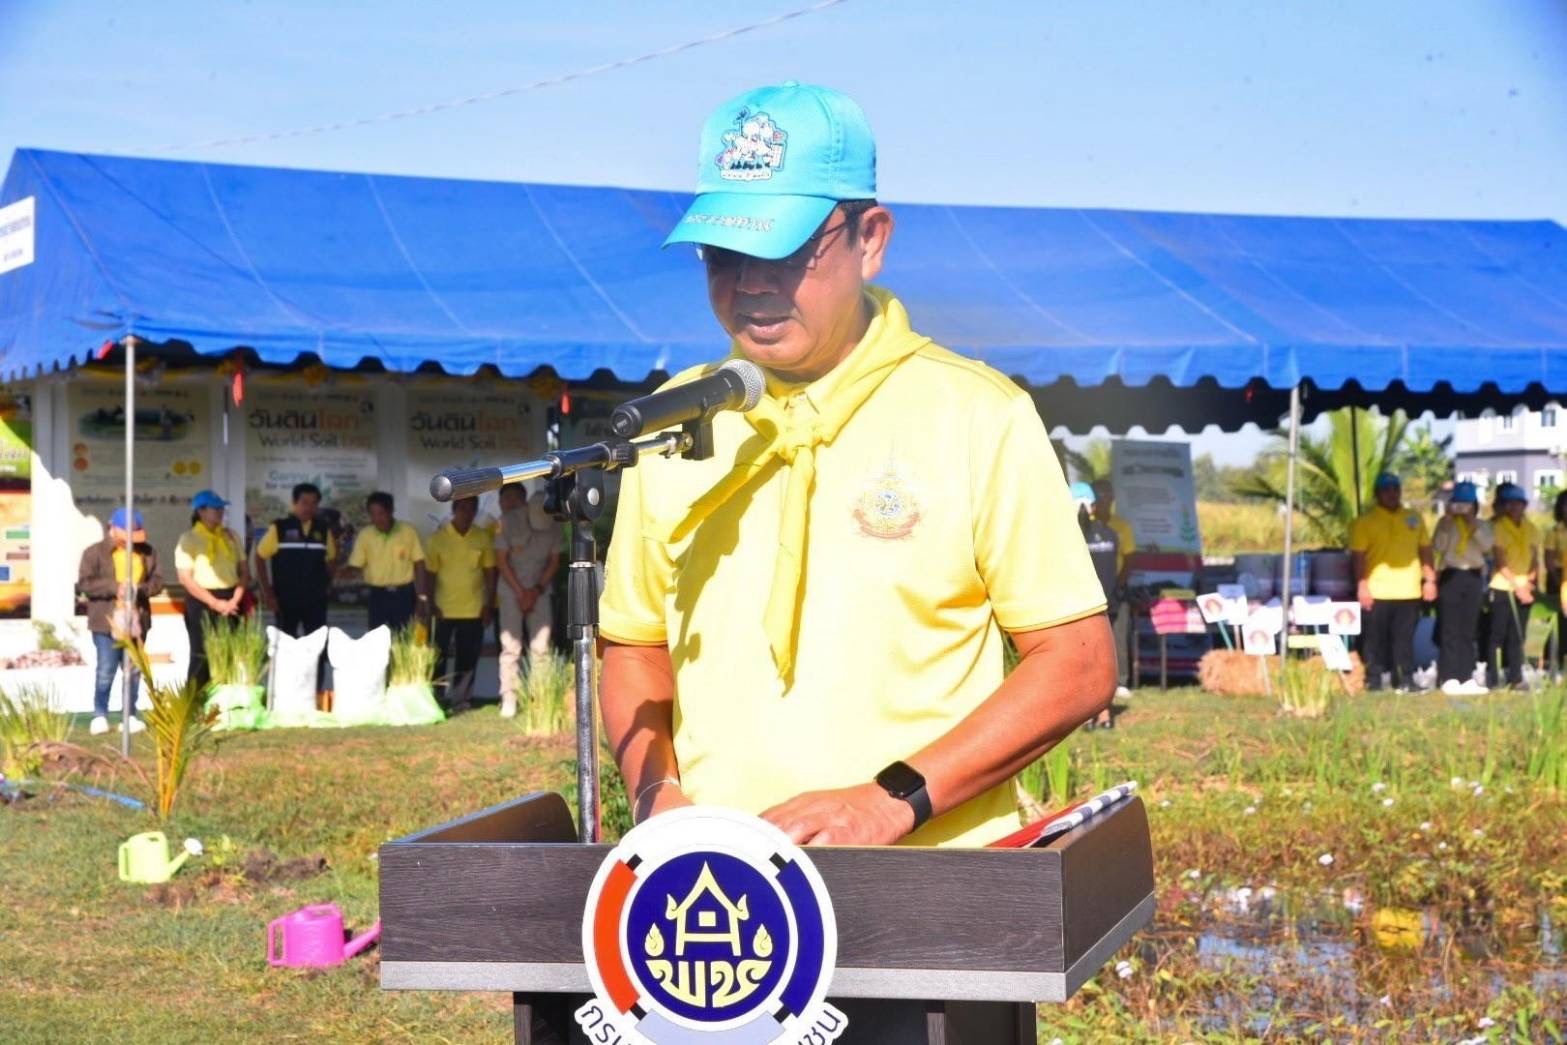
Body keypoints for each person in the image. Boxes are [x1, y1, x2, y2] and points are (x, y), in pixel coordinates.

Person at [599, 82, 1113, 850]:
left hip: (932, 880)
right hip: (722, 887)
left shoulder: (977, 414)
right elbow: (634, 645)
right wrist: (656, 795)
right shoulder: (671, 424)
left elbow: (1076, 662)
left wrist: (890, 799)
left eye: (783, 249)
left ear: (869, 239)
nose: (751, 282)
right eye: (724, 253)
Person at [77, 508, 164, 735]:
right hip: (105, 621)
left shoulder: (148, 552)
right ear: (113, 528)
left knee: (133, 670)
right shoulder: (94, 552)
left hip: (136, 621)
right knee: (106, 669)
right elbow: (85, 584)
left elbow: (157, 582)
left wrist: (138, 589)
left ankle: (129, 715)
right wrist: (115, 588)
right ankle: (100, 714)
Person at [1348, 472, 1436, 692]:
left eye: (1395, 489)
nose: (1392, 494)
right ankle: (1374, 679)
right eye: (1386, 490)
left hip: (1409, 590)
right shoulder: (1365, 522)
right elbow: (1358, 557)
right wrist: (1362, 586)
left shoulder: (1413, 518)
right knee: (1374, 640)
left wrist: (1429, 580)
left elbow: (1425, 550)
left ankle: (1405, 679)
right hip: (1377, 590)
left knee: (1404, 640)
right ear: (1377, 494)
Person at [493, 482, 562, 719]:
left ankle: (540, 699)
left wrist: (536, 590)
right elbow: (501, 561)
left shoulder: (554, 522)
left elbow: (554, 562)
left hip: (540, 589)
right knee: (510, 646)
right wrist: (521, 592)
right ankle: (509, 699)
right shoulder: (506, 522)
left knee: (541, 647)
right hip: (511, 588)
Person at [424, 495, 496, 712]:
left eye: (472, 508)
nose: (467, 513)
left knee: (467, 658)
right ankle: (436, 698)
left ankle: (461, 700)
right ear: (454, 509)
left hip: (474, 609)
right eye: (463, 508)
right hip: (442, 609)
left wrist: (488, 604)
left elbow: (490, 573)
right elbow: (429, 575)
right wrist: (430, 604)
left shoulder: (482, 537)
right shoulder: (437, 539)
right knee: (438, 657)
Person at [175, 489, 250, 689]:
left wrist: (234, 600)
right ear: (201, 511)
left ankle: (227, 701)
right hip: (202, 599)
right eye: (215, 508)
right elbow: (185, 578)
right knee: (202, 655)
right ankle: (196, 701)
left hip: (232, 598)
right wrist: (215, 603)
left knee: (231, 653)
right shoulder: (189, 539)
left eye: (221, 508)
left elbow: (244, 571)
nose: (220, 512)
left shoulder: (231, 536)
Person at [1431, 481, 1491, 695]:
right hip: (1451, 575)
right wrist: (1448, 522)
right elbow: (1438, 546)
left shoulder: (1482, 525)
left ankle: (1466, 676)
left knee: (1468, 629)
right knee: (1450, 628)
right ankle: (1448, 676)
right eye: (1459, 503)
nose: (1463, 508)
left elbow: (1487, 547)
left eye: (1467, 504)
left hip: (1473, 576)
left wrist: (1472, 524)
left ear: (1475, 505)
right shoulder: (1445, 523)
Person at [254, 482, 336, 637]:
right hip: (285, 600)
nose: (309, 507)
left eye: (313, 503)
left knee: (317, 643)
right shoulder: (279, 528)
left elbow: (332, 559)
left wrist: (326, 582)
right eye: (304, 502)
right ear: (294, 503)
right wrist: (268, 592)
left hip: (315, 600)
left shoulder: (323, 529)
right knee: (286, 643)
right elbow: (259, 558)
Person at [340, 491, 428, 632]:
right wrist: (339, 573)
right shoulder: (365, 536)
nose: (377, 519)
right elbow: (356, 566)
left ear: (391, 511)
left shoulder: (408, 531)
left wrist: (422, 598)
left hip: (404, 595)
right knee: (377, 640)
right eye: (373, 514)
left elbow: (420, 565)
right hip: (377, 596)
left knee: (403, 638)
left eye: (381, 513)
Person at [1487, 482, 1540, 691]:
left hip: (1525, 588)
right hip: (1503, 586)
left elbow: (1534, 560)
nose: (1514, 507)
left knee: (1518, 635)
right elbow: (1500, 562)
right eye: (1509, 503)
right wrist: (1517, 587)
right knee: (1498, 634)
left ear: (1524, 505)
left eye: (1518, 503)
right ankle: (1494, 677)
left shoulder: (1531, 528)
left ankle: (1515, 677)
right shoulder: (1498, 527)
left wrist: (1529, 583)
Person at [1076, 484, 1122, 729]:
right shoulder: (1111, 535)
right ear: (1093, 507)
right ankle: (1104, 714)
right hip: (1107, 606)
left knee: (1084, 663)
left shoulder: (1069, 539)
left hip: (1078, 609)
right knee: (1104, 662)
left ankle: (1086, 714)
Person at [1090, 478, 1136, 701]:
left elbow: (1130, 559)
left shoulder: (1122, 527)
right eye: (1099, 496)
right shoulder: (1084, 526)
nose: (1104, 500)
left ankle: (1121, 681)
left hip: (1116, 589)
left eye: (1107, 496)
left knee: (1119, 635)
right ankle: (1093, 679)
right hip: (1091, 592)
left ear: (1113, 498)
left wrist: (1118, 585)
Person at [1544, 490, 1567, 675]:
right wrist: (1557, 581)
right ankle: (1554, 659)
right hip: (1558, 576)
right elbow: (1549, 559)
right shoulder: (1554, 531)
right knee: (1559, 621)